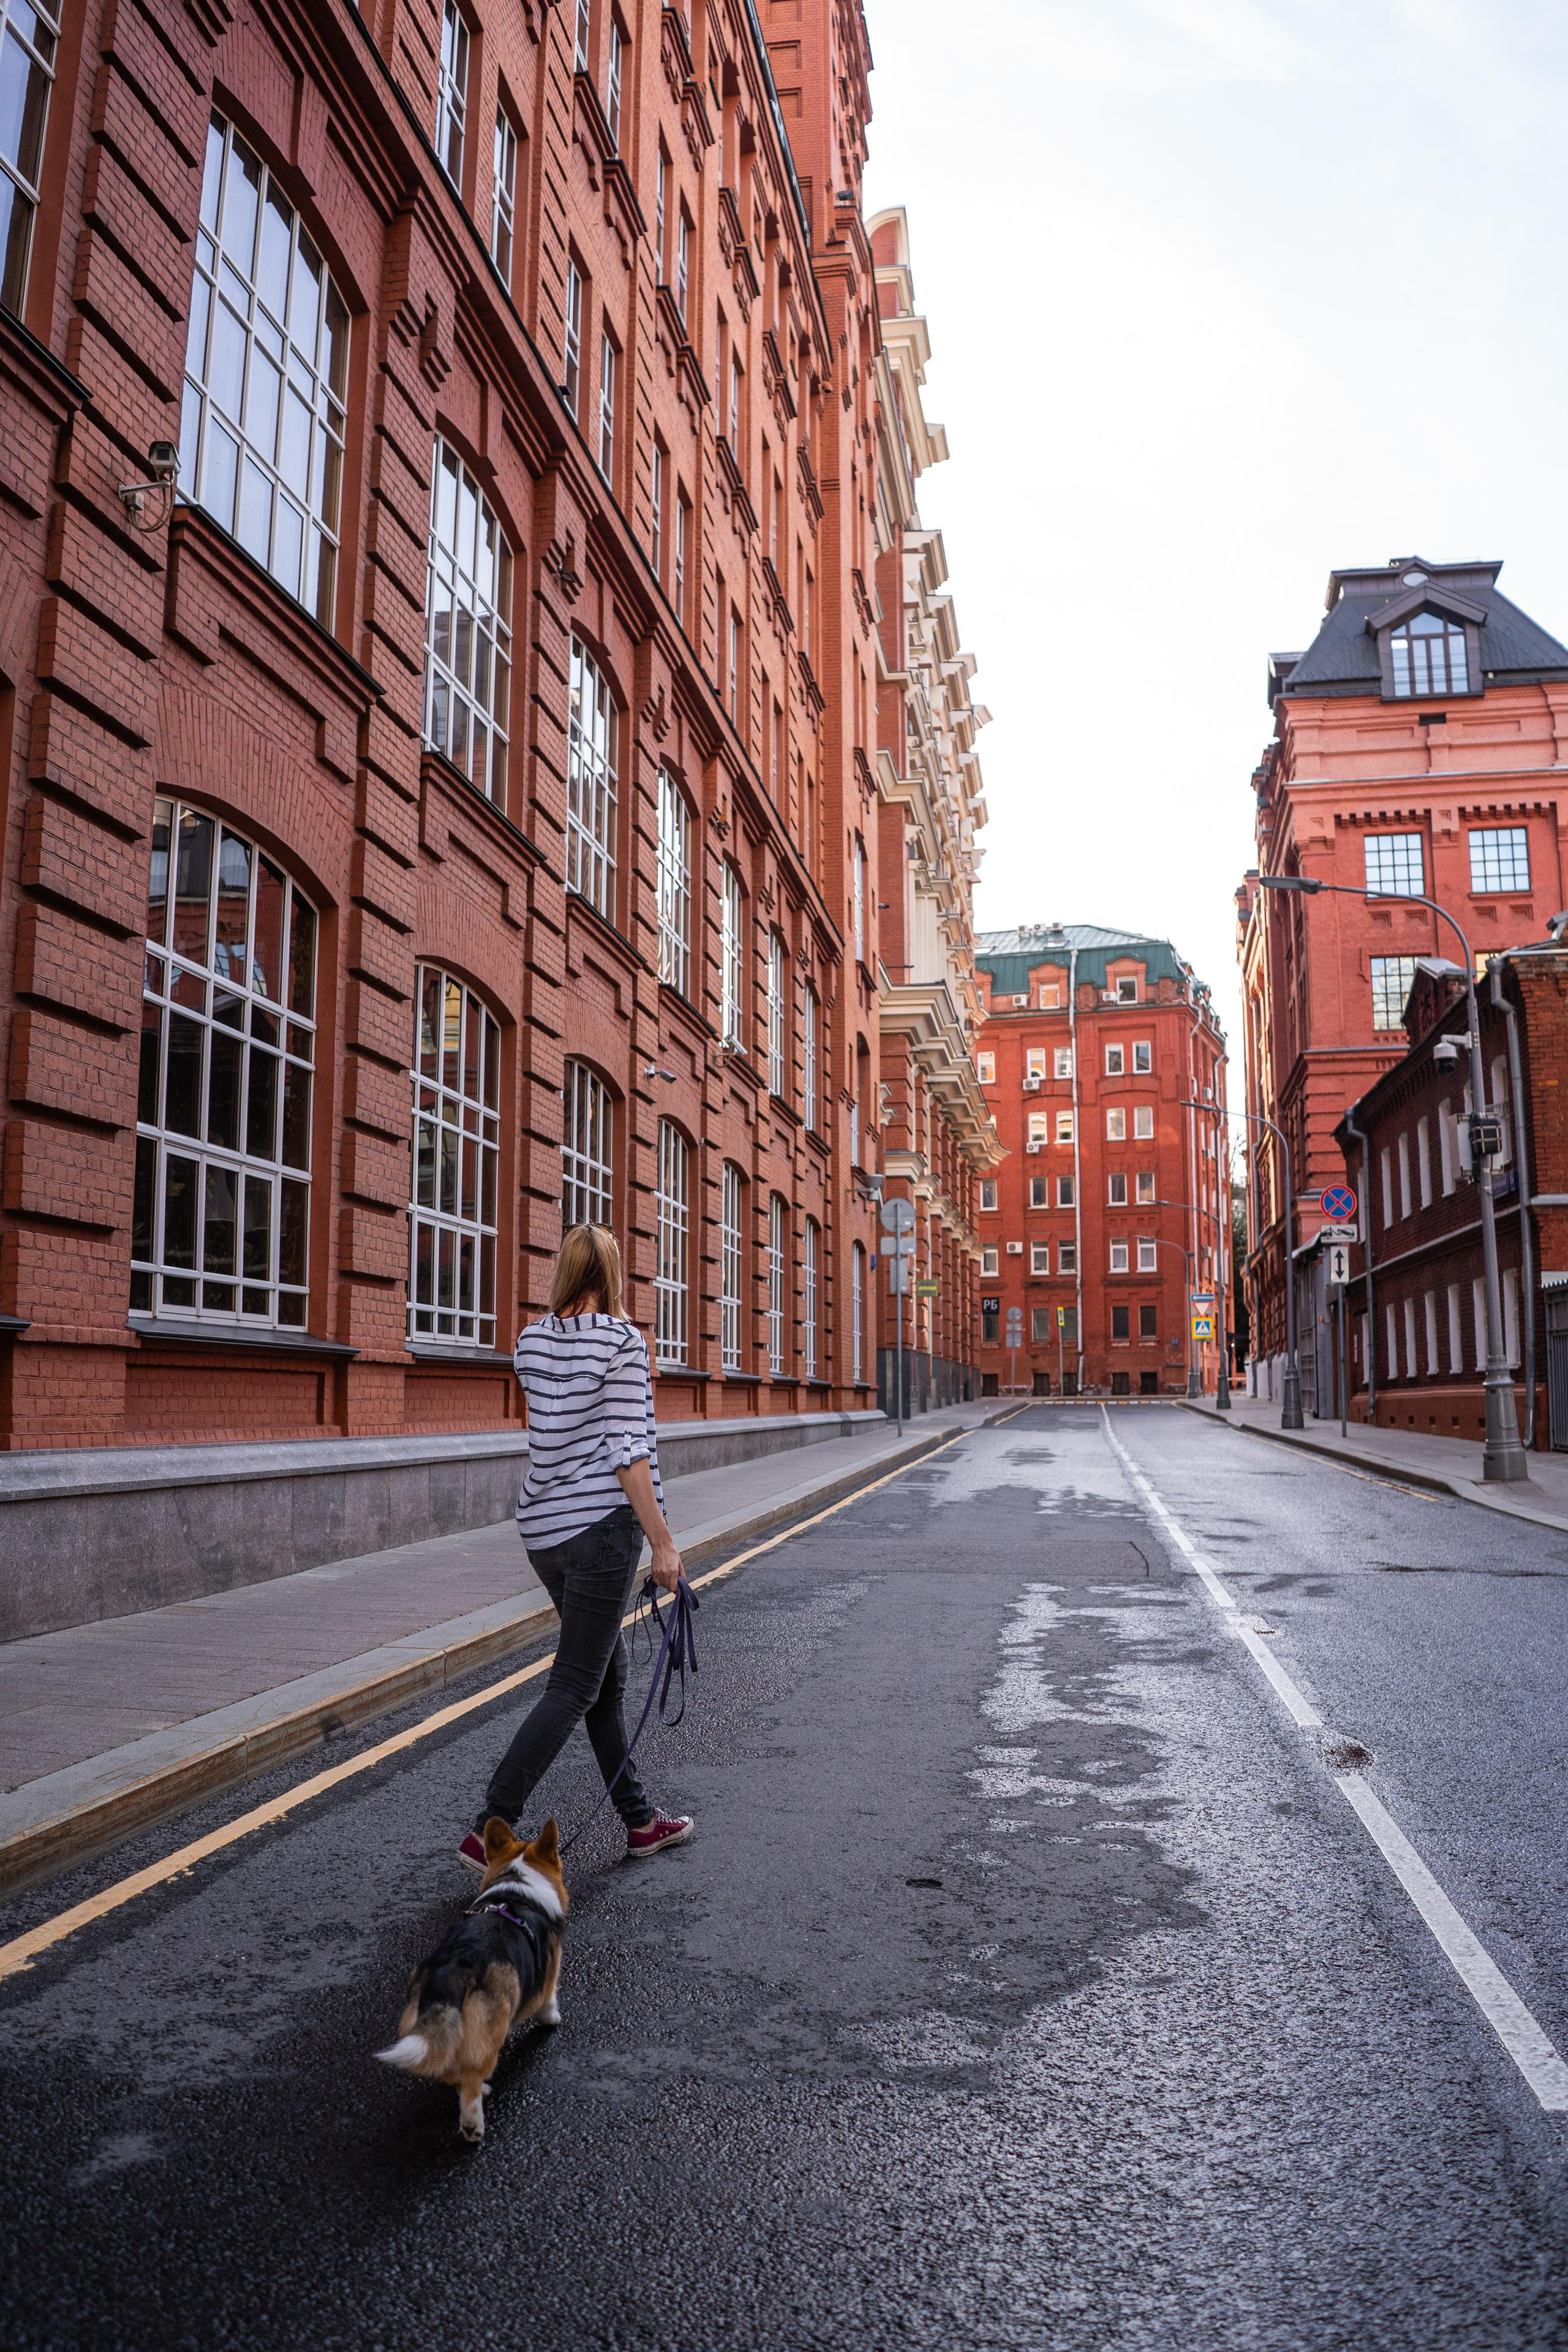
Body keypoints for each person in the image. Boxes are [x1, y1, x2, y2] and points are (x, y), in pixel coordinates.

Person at [458, 1224, 694, 1870]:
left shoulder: (529, 1342)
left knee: (604, 1680)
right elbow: (627, 1452)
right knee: (573, 1685)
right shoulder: (622, 1342)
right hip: (600, 1531)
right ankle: (490, 1830)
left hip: (543, 1531)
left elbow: (558, 1429)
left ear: (563, 1269)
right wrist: (664, 1544)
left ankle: (641, 1822)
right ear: (612, 1273)